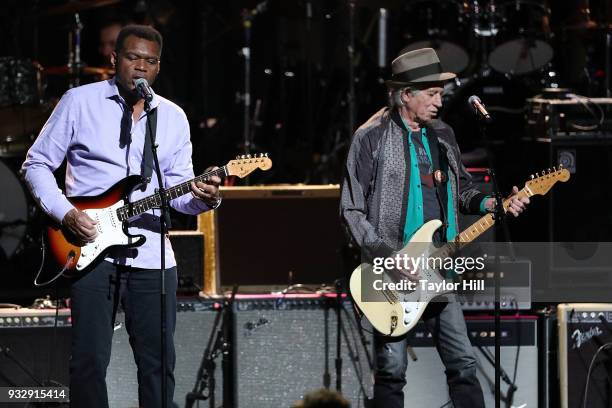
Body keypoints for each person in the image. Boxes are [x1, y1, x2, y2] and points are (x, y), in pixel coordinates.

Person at [21, 25, 221, 408]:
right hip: (90, 250)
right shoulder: (79, 102)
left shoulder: (173, 118)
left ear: (159, 68)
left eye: (150, 61)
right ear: (115, 59)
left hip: (152, 256)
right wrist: (66, 214)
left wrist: (204, 199)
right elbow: (37, 164)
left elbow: (178, 195)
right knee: (89, 363)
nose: (140, 67)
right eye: (133, 58)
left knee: (158, 365)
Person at [340, 48, 529, 408]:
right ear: (405, 94)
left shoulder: (443, 134)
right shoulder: (370, 137)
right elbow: (350, 210)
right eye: (431, 93)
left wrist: (494, 205)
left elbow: (464, 192)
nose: (439, 102)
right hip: (390, 275)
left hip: (439, 269)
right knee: (392, 370)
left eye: (441, 93)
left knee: (463, 364)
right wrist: (389, 257)